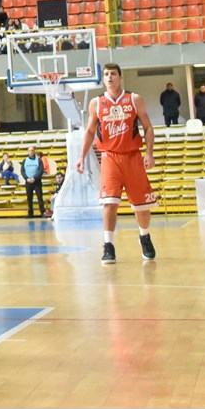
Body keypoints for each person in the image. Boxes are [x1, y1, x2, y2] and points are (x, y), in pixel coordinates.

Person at [76, 63, 156, 264]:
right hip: (110, 156)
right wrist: (81, 157)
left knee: (141, 206)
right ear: (103, 79)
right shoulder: (96, 103)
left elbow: (148, 127)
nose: (110, 77)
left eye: (113, 74)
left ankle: (144, 237)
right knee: (109, 203)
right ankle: (108, 245)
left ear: (120, 77)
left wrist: (149, 153)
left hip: (133, 156)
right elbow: (90, 131)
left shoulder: (134, 99)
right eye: (106, 74)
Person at [20, 145, 45, 218]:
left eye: (32, 150)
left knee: (40, 197)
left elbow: (41, 170)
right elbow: (22, 171)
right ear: (28, 152)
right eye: (29, 150)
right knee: (29, 198)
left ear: (34, 151)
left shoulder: (39, 160)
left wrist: (34, 178)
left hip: (37, 182)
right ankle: (30, 214)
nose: (31, 152)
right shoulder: (25, 160)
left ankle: (42, 212)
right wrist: (26, 178)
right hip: (28, 182)